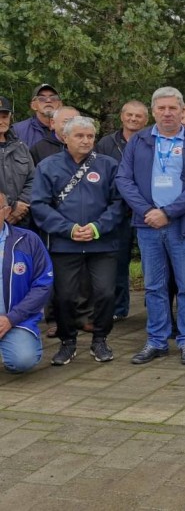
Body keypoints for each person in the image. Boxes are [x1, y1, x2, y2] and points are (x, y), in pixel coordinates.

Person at [116, 86, 185, 366]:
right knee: (154, 286)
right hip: (148, 226)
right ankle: (157, 340)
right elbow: (124, 180)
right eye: (162, 108)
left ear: (183, 110)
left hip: (183, 225)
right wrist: (148, 211)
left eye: (173, 108)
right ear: (154, 110)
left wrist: (168, 212)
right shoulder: (139, 141)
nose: (168, 113)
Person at [31, 117, 124, 365]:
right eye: (79, 136)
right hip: (64, 243)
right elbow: (39, 205)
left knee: (105, 293)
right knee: (64, 296)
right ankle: (67, 342)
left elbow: (119, 203)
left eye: (90, 136)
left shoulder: (108, 165)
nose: (86, 141)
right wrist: (68, 229)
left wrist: (96, 227)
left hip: (102, 243)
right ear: (65, 137)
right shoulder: (48, 166)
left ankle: (100, 340)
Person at [96, 100, 150, 320]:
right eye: (129, 115)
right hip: (117, 210)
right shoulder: (106, 144)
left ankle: (154, 309)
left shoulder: (152, 141)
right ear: (122, 116)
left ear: (146, 120)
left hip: (146, 209)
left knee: (151, 262)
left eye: (139, 116)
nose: (133, 119)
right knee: (118, 261)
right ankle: (119, 310)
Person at [0, 192, 53, 373]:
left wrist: (11, 318)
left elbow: (43, 284)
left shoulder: (28, 240)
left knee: (23, 360)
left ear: (6, 211)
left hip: (15, 319)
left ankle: (19, 341)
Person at [0, 97, 34, 229]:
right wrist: (12, 206)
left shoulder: (21, 147)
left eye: (4, 117)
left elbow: (33, 179)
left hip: (21, 221)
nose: (1, 121)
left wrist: (21, 205)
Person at [13, 83, 61, 148]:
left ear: (60, 104)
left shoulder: (69, 128)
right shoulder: (17, 131)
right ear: (33, 105)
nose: (48, 100)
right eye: (42, 98)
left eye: (53, 98)